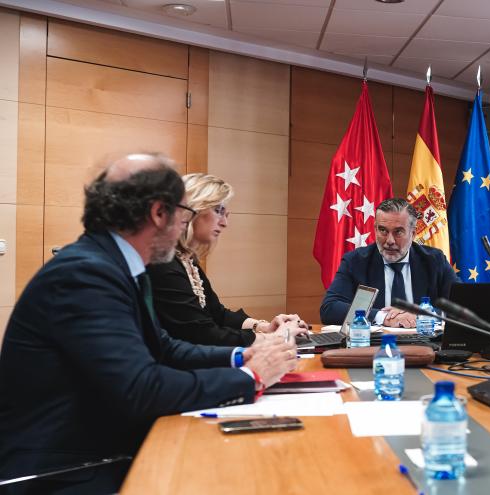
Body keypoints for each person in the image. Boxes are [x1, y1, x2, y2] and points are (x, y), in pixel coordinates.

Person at [0, 154, 298, 493]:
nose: (183, 227)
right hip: (67, 468)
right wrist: (251, 377)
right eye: (184, 214)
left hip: (100, 446)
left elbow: (163, 345)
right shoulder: (86, 274)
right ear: (159, 214)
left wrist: (239, 358)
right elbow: (140, 389)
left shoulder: (117, 265)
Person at [148, 173, 306, 347]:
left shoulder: (186, 259)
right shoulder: (164, 263)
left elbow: (218, 314)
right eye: (218, 211)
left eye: (226, 214)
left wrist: (265, 327)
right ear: (193, 209)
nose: (224, 223)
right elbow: (201, 334)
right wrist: (273, 338)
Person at [320, 198, 458, 328]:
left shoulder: (433, 260)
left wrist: (423, 315)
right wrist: (383, 317)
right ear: (375, 229)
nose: (390, 240)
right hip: (372, 347)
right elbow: (329, 309)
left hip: (426, 346)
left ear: (413, 233)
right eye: (383, 230)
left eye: (398, 232)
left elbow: (464, 306)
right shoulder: (356, 261)